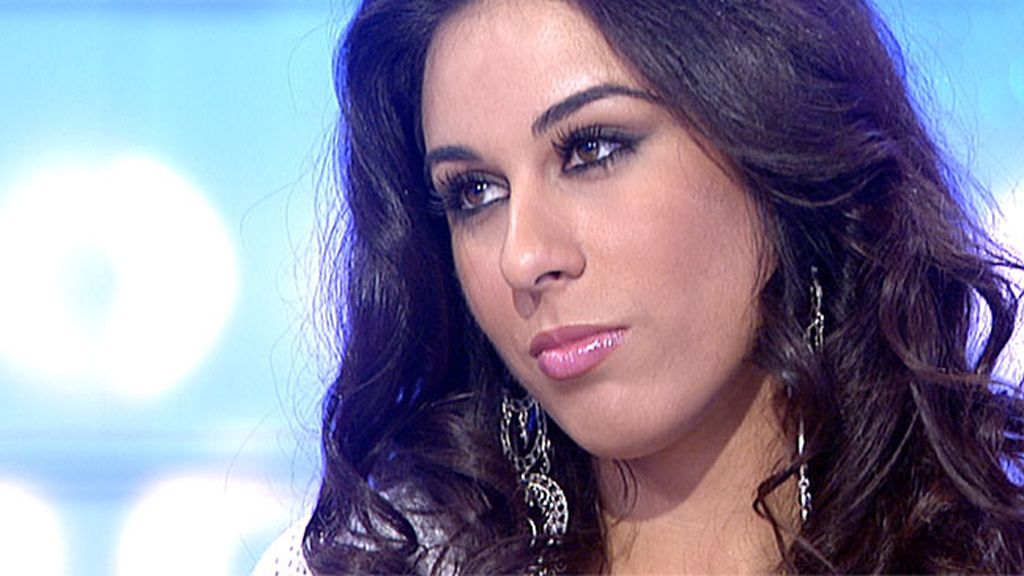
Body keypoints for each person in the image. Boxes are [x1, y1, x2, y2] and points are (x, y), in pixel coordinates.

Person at [258, 0, 1024, 573]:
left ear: (777, 149)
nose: (523, 257)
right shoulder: (381, 561)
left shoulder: (988, 548)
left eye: (592, 150)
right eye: (474, 193)